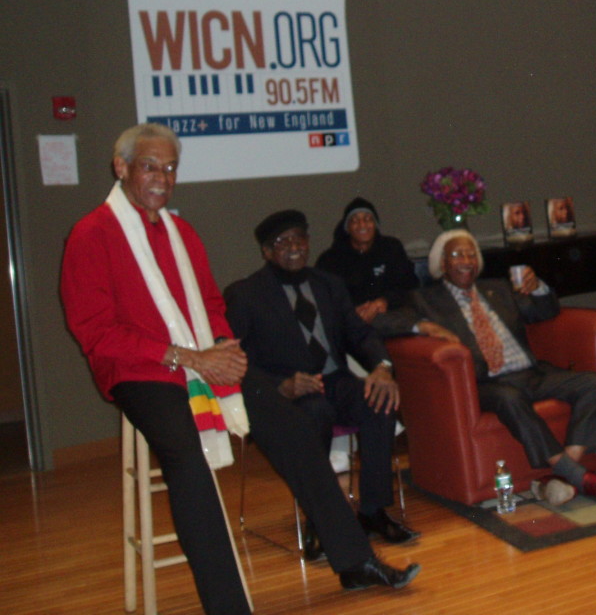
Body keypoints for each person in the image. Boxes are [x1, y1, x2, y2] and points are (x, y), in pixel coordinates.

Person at [60, 125, 418, 615]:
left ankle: (354, 560)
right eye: (150, 166)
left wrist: (224, 348)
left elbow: (209, 304)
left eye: (170, 168)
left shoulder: (181, 232)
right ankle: (227, 604)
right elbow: (96, 332)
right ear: (121, 168)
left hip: (203, 361)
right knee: (188, 459)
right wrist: (189, 358)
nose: (163, 178)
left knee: (291, 422)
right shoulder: (91, 234)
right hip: (140, 372)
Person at [224, 209, 418, 551]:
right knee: (315, 415)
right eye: (282, 242)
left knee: (379, 402)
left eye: (300, 239)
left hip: (335, 381)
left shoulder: (328, 284)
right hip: (287, 394)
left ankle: (373, 511)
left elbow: (360, 334)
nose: (294, 247)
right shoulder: (246, 294)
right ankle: (321, 519)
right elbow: (236, 361)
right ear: (266, 252)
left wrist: (383, 366)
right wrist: (280, 386)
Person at [391, 229, 596, 506]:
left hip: (530, 373)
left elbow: (544, 312)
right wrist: (423, 325)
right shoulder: (424, 299)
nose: (466, 259)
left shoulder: (498, 289)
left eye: (471, 253)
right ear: (441, 264)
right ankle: (579, 476)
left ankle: (566, 474)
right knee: (508, 397)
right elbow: (384, 323)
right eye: (457, 254)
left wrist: (539, 289)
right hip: (485, 384)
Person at [314, 197, 419, 333]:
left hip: (393, 316)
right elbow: (325, 298)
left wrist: (384, 301)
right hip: (350, 322)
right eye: (355, 220)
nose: (362, 225)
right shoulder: (330, 259)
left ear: (376, 224)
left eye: (368, 219)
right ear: (347, 228)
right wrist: (352, 311)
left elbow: (410, 286)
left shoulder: (391, 248)